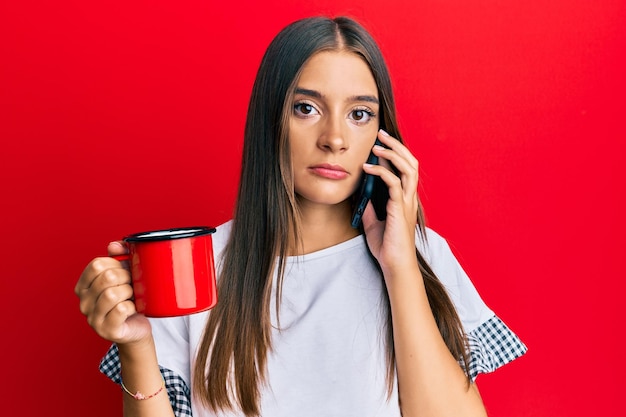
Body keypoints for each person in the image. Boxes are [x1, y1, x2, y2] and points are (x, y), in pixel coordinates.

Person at [75, 16, 527, 417]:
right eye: (306, 108)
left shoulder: (420, 255)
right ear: (271, 118)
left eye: (359, 114)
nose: (334, 138)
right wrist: (136, 344)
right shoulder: (195, 264)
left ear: (381, 133)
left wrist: (400, 266)